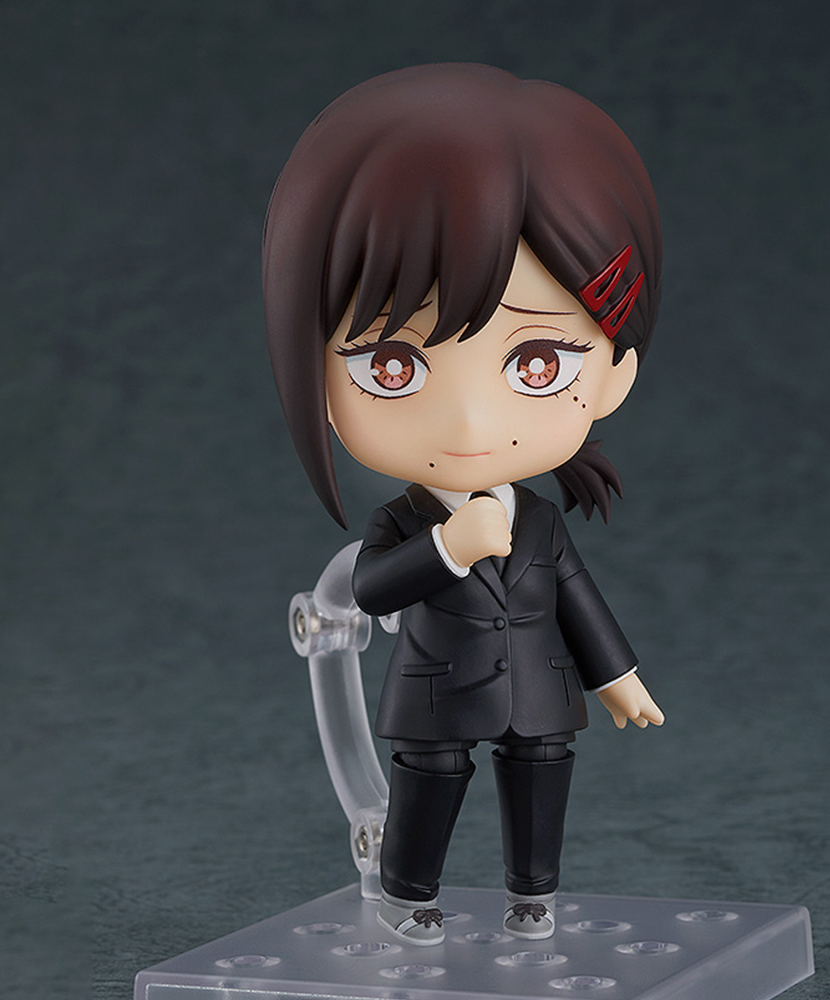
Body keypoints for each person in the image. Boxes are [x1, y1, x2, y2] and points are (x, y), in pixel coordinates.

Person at [263, 63, 664, 945]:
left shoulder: (541, 521)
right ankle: (409, 896)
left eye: (537, 363)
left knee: (542, 772)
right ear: (316, 379)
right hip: (436, 698)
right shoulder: (405, 521)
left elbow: (579, 601)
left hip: (540, 689)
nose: (472, 422)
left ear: (613, 373)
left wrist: (617, 678)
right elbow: (369, 588)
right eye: (394, 366)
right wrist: (448, 549)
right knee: (430, 784)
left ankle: (534, 895)